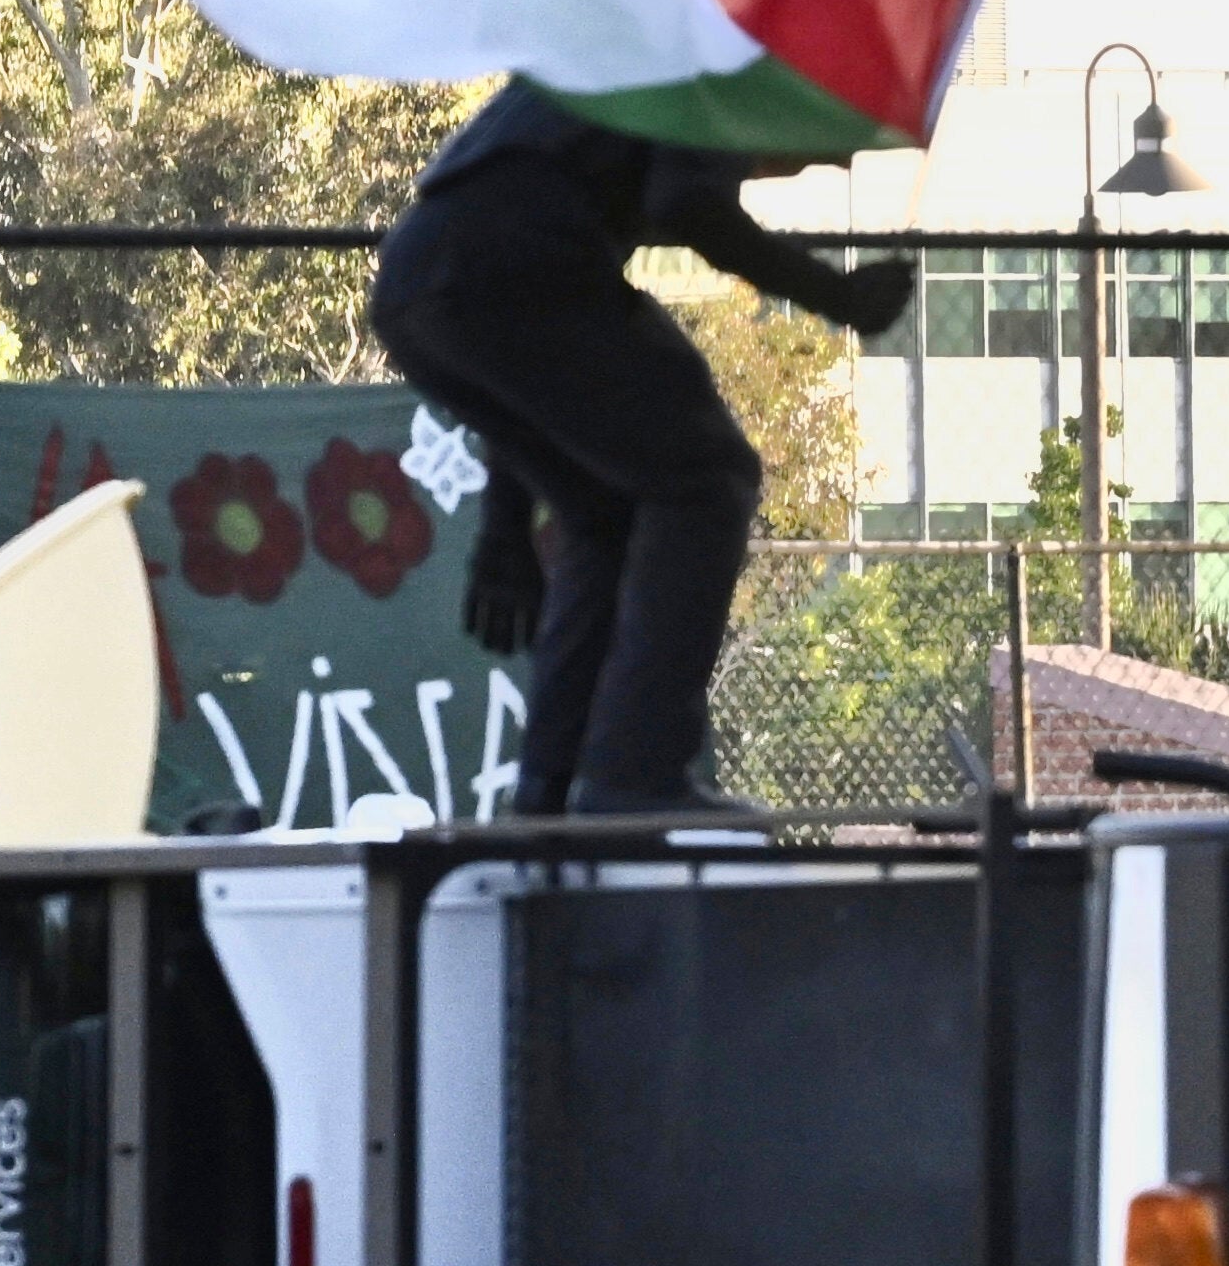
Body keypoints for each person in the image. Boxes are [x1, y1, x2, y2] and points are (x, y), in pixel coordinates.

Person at [370, 85, 913, 818]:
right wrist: (833, 293)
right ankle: (636, 774)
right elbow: (687, 202)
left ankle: (549, 788)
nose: (824, 167)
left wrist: (504, 534)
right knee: (708, 478)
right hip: (519, 265)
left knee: (601, 509)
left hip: (417, 282)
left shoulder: (620, 39)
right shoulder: (709, 45)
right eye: (829, 151)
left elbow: (537, 386)